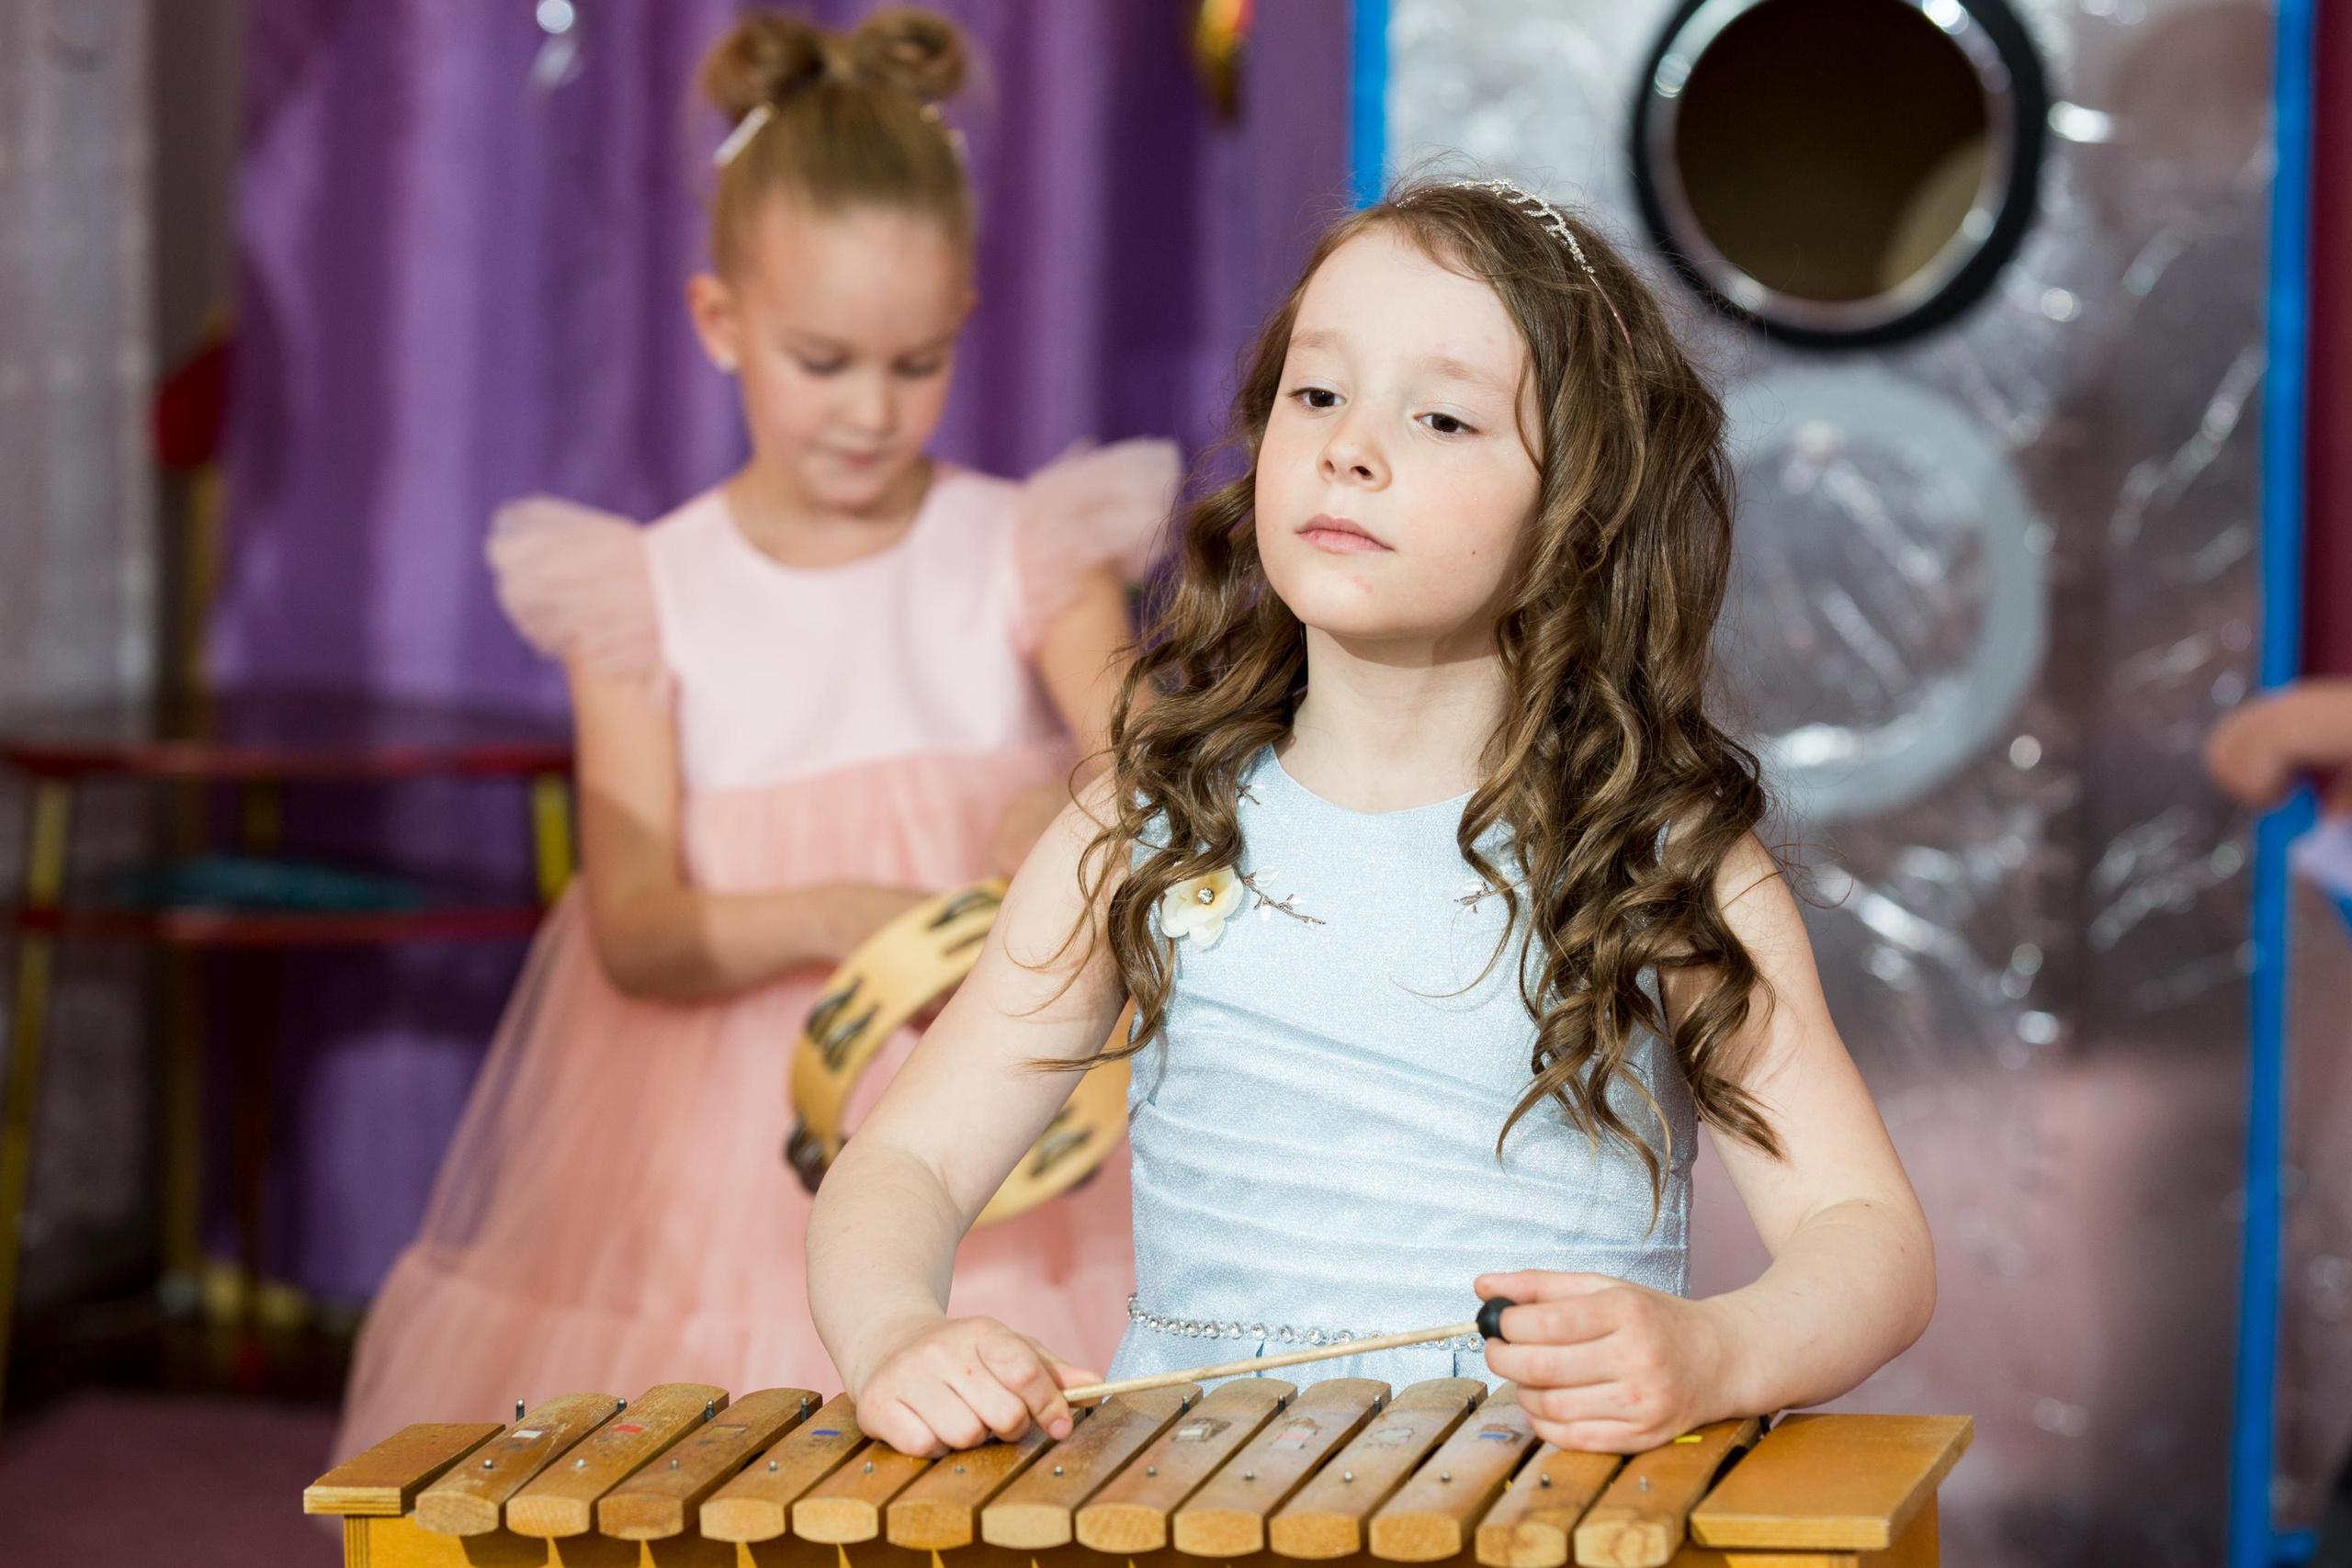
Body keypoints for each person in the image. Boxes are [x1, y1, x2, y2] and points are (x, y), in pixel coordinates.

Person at [806, 177, 1936, 1458]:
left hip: (1543, 1532)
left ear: (1585, 509)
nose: (1349, 445)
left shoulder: (1655, 858)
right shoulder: (1146, 823)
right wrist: (896, 1332)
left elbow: (1872, 1242)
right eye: (1318, 394)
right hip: (1194, 1524)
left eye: (1443, 416)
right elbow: (908, 1166)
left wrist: (1717, 1352)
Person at [334, 6, 1170, 1454]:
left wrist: (1052, 822)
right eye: (823, 358)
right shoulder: (644, 595)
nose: (870, 410)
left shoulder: (1025, 548)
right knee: (727, 1443)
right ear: (721, 324)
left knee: (1020, 1423)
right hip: (710, 1144)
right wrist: (852, 917)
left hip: (994, 1115)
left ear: (966, 319)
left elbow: (1155, 777)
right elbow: (640, 930)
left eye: (915, 364)